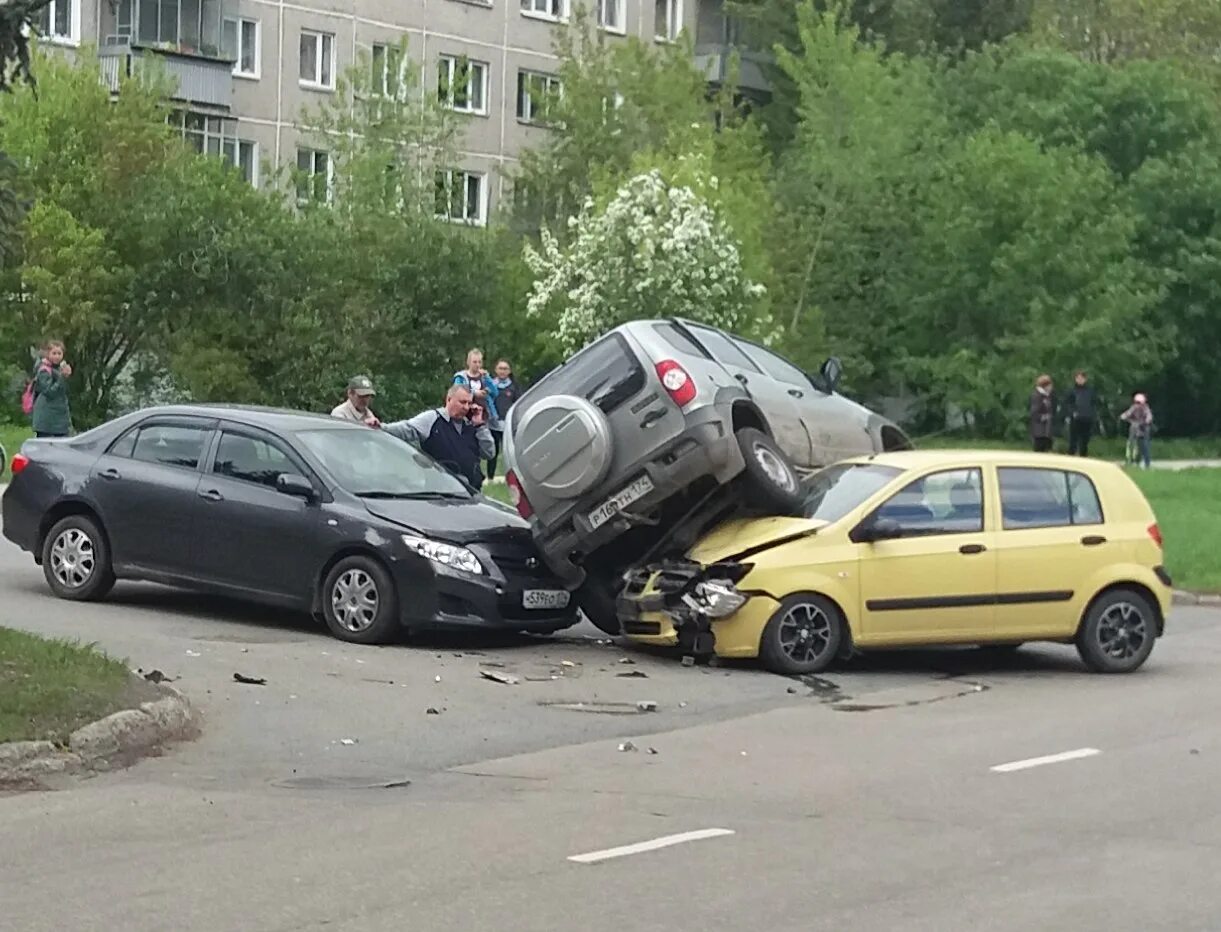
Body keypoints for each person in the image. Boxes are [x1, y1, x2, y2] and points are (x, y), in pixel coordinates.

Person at [383, 385, 494, 490]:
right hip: (440, 491)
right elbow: (405, 429)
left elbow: (489, 453)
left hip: (471, 489)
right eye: (462, 402)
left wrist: (480, 426)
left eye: (469, 403)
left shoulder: (472, 425)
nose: (466, 407)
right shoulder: (432, 418)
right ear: (449, 399)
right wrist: (380, 427)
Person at [31, 340, 73, 438]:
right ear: (47, 354)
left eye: (59, 353)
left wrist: (65, 376)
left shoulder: (58, 369)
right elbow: (50, 392)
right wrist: (63, 377)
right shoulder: (44, 371)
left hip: (59, 417)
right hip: (47, 419)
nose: (57, 356)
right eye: (54, 353)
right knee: (45, 447)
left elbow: (64, 390)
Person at [486, 358, 520, 481]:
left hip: (508, 425)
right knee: (493, 452)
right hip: (493, 424)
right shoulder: (490, 386)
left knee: (510, 453)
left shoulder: (513, 386)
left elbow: (518, 404)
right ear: (496, 370)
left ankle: (514, 478)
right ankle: (490, 477)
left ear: (509, 371)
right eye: (500, 368)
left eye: (505, 369)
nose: (502, 371)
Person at [453, 348, 498, 428]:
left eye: (479, 362)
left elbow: (495, 392)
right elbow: (457, 393)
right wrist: (474, 393)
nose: (477, 365)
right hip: (466, 415)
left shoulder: (484, 377)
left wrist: (488, 380)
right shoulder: (461, 377)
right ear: (468, 362)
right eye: (474, 362)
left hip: (484, 416)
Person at [1065, 370, 1097, 457]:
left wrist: (1092, 414)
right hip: (1075, 418)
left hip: (1087, 418)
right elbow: (1068, 403)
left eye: (1081, 378)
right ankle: (1071, 455)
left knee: (1085, 440)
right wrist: (1072, 412)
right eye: (1078, 378)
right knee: (1073, 440)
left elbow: (1094, 403)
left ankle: (1083, 456)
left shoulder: (1090, 391)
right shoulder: (1072, 390)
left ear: (1085, 379)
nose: (1080, 380)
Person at [1121, 393, 1154, 469]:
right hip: (1134, 427)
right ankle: (1129, 460)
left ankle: (1146, 463)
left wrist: (1146, 422)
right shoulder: (1133, 408)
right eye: (1137, 402)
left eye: (1139, 403)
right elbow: (1126, 414)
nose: (1138, 405)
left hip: (1143, 428)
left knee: (1144, 446)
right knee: (1131, 444)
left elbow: (1149, 417)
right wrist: (1125, 418)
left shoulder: (1146, 408)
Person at [1029, 374, 1055, 453]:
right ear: (1045, 386)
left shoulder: (1046, 396)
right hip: (1039, 431)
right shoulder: (1037, 396)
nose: (1051, 388)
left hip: (1046, 431)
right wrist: (1046, 417)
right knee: (1039, 452)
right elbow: (1034, 413)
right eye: (1050, 385)